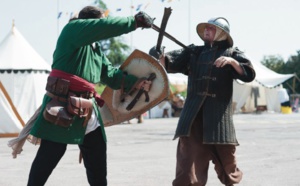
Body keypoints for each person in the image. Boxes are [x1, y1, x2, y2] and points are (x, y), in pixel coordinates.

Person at [26, 6, 153, 186]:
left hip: (87, 109)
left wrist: (135, 82)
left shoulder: (95, 48)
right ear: (90, 23)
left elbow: (110, 74)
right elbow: (105, 27)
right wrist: (134, 22)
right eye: (100, 22)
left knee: (97, 160)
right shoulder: (73, 29)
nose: (102, 27)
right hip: (61, 104)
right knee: (49, 156)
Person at [151, 17, 256, 185]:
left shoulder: (232, 53)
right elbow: (169, 63)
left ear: (222, 33)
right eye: (206, 28)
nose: (207, 30)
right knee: (187, 166)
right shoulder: (194, 52)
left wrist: (232, 62)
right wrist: (160, 55)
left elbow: (249, 74)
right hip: (192, 117)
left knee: (228, 167)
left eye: (212, 28)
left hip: (219, 120)